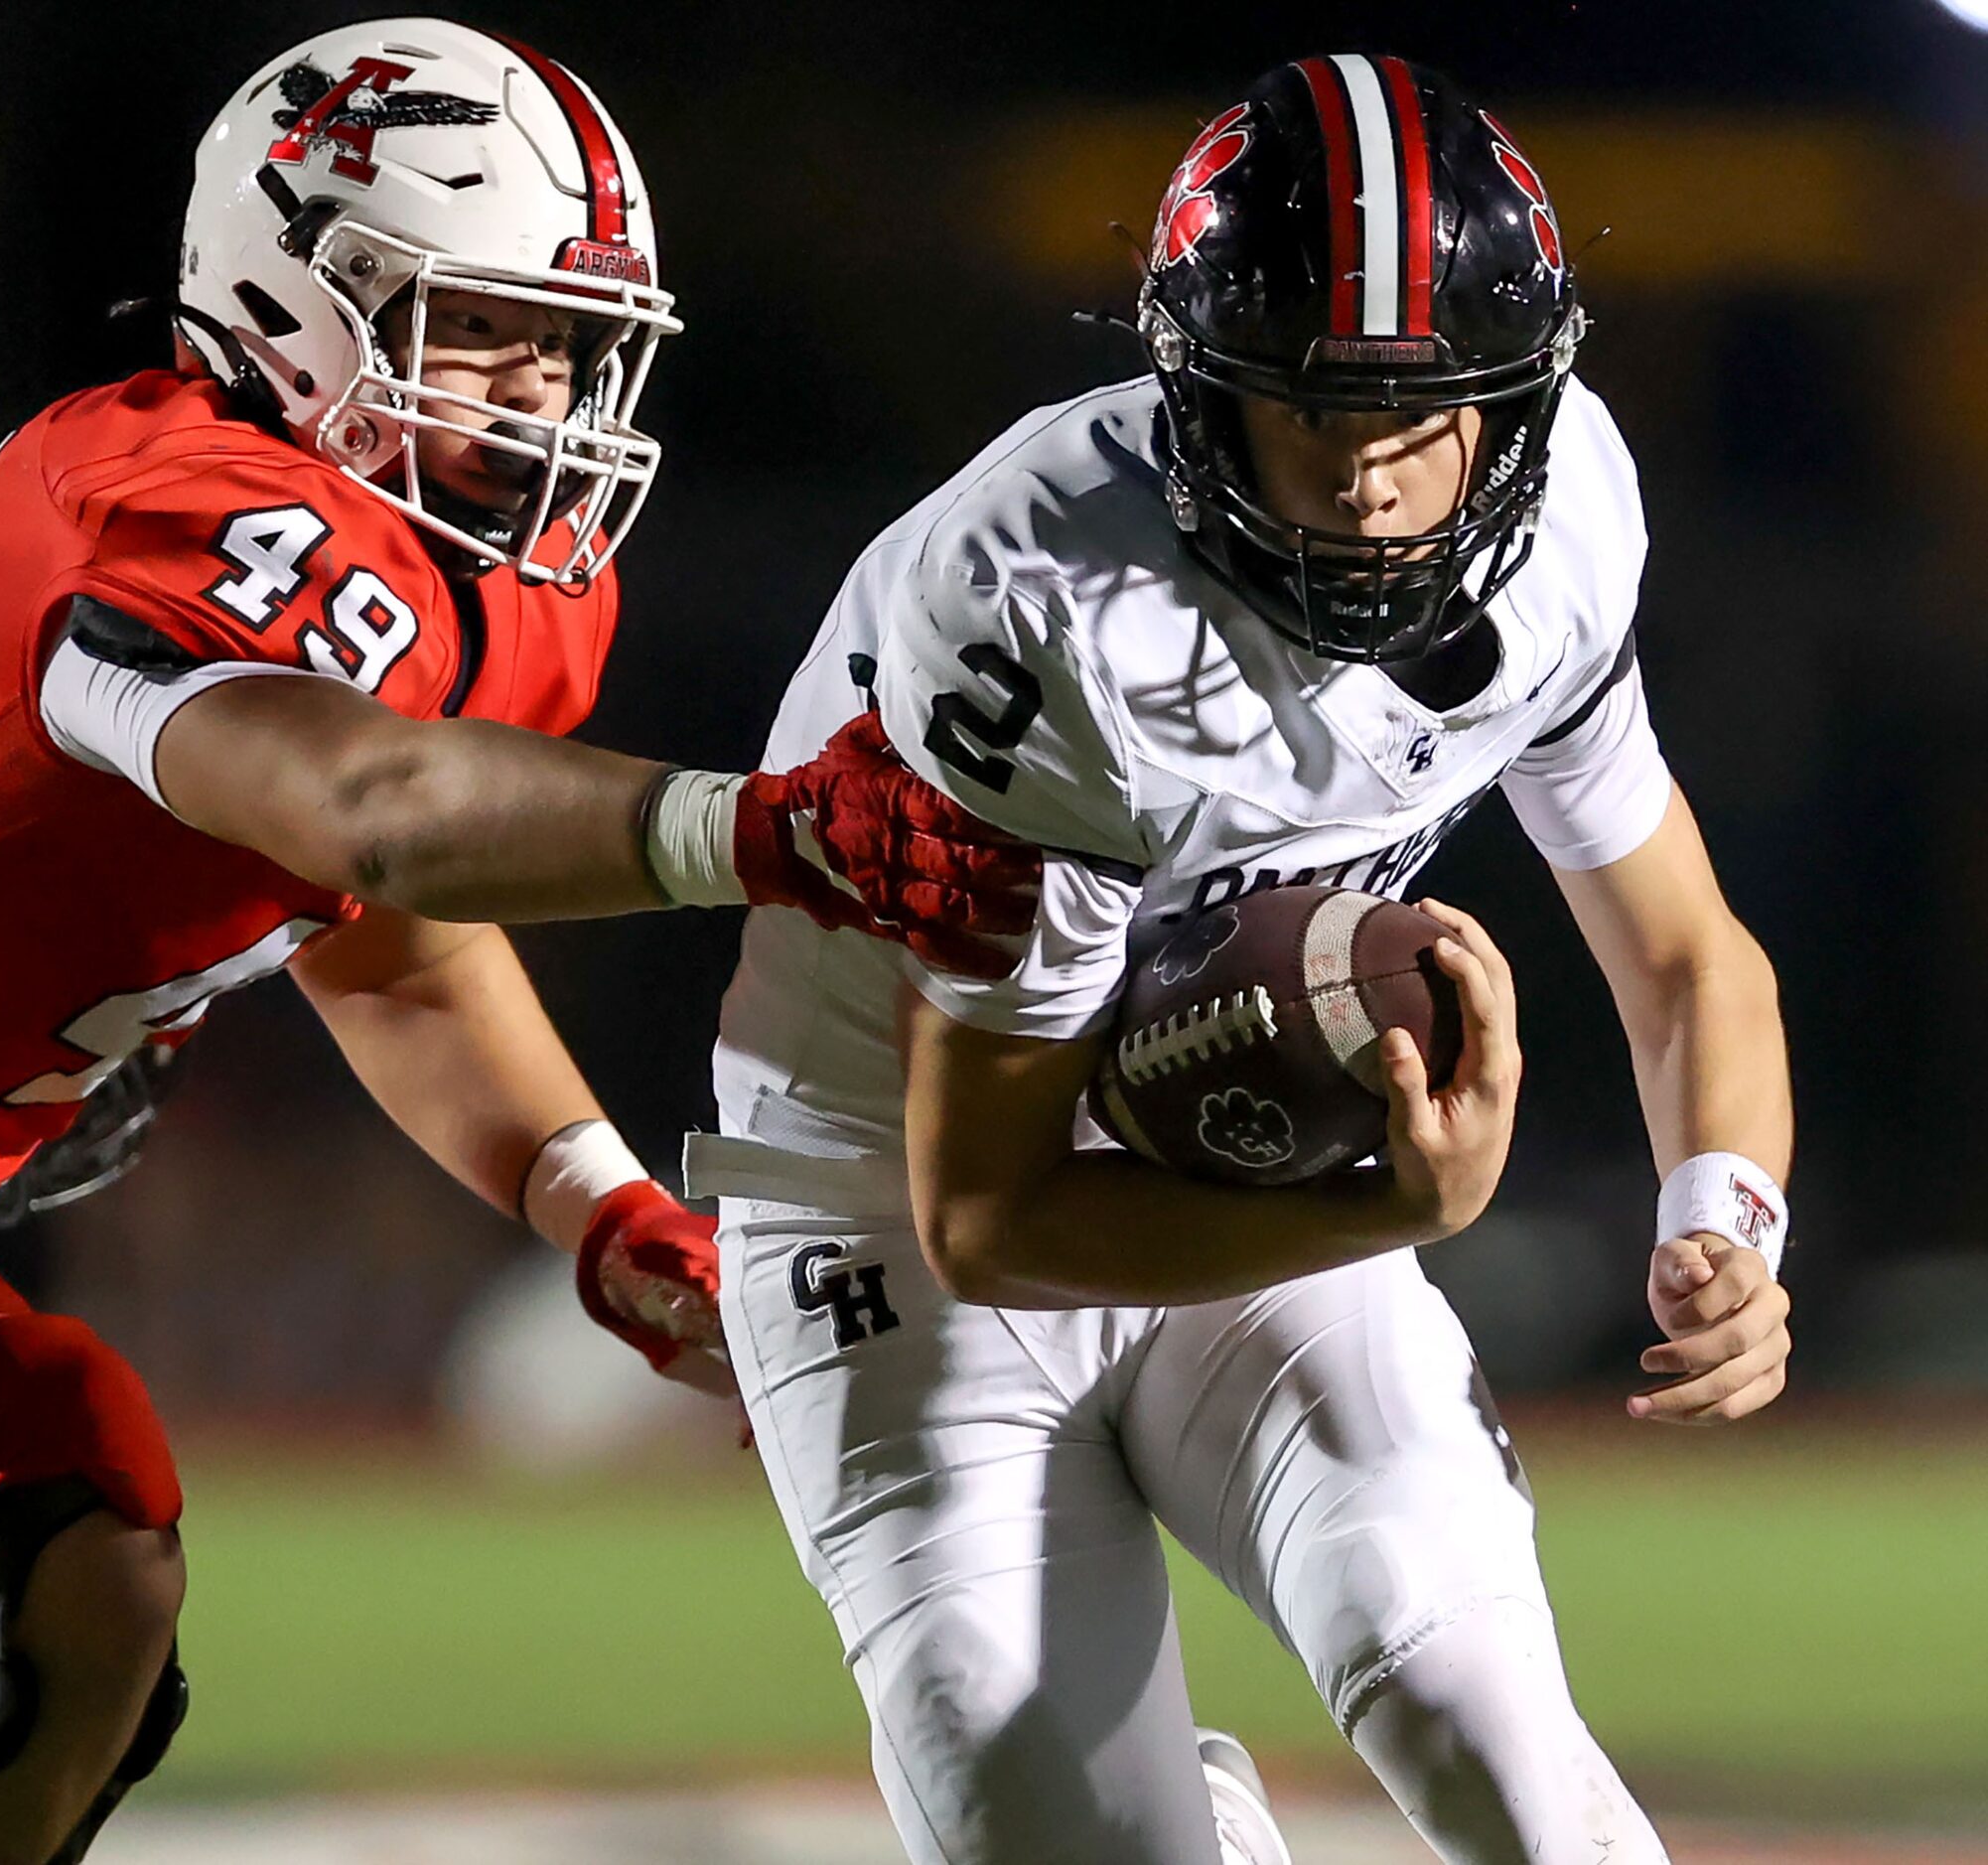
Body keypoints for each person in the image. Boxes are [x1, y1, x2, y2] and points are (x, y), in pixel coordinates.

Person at [0, 20, 1036, 1865]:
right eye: (483, 325)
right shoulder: (177, 498)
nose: (543, 380)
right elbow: (355, 802)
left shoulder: (502, 591)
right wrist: (752, 831)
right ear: (300, 301)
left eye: (572, 333)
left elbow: (384, 930)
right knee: (79, 1554)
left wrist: (588, 1199)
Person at [695, 55, 1790, 1865]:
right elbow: (991, 1210)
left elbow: (1682, 950)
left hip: (1223, 1161)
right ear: (1198, 401)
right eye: (1309, 414)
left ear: (1517, 407)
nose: (1370, 478)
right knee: (1054, 1823)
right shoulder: (1043, 608)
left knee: (1488, 1730)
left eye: (1425, 416)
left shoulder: (1569, 521)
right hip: (889, 1202)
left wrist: (1726, 1219)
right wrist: (1408, 1211)